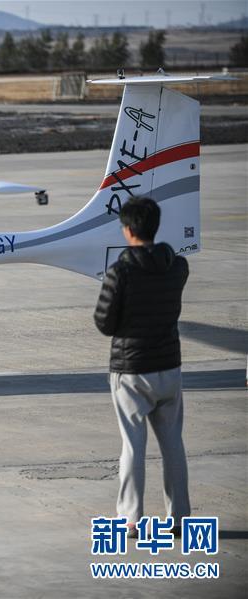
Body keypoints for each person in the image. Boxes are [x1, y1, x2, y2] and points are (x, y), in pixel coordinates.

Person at [93, 196, 190, 538]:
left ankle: (131, 519)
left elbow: (104, 323)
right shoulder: (177, 267)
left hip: (132, 371)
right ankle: (179, 517)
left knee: (134, 447)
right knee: (173, 444)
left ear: (129, 230)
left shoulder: (120, 272)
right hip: (169, 367)